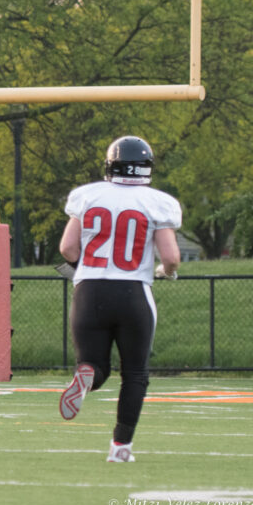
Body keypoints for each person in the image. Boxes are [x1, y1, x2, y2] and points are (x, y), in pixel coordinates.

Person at [57, 136, 181, 463]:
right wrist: (166, 271)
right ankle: (120, 448)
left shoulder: (89, 195)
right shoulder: (157, 201)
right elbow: (171, 256)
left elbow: (68, 248)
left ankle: (86, 378)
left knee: (94, 364)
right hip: (133, 291)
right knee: (135, 373)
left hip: (89, 291)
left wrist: (83, 268)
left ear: (110, 165)